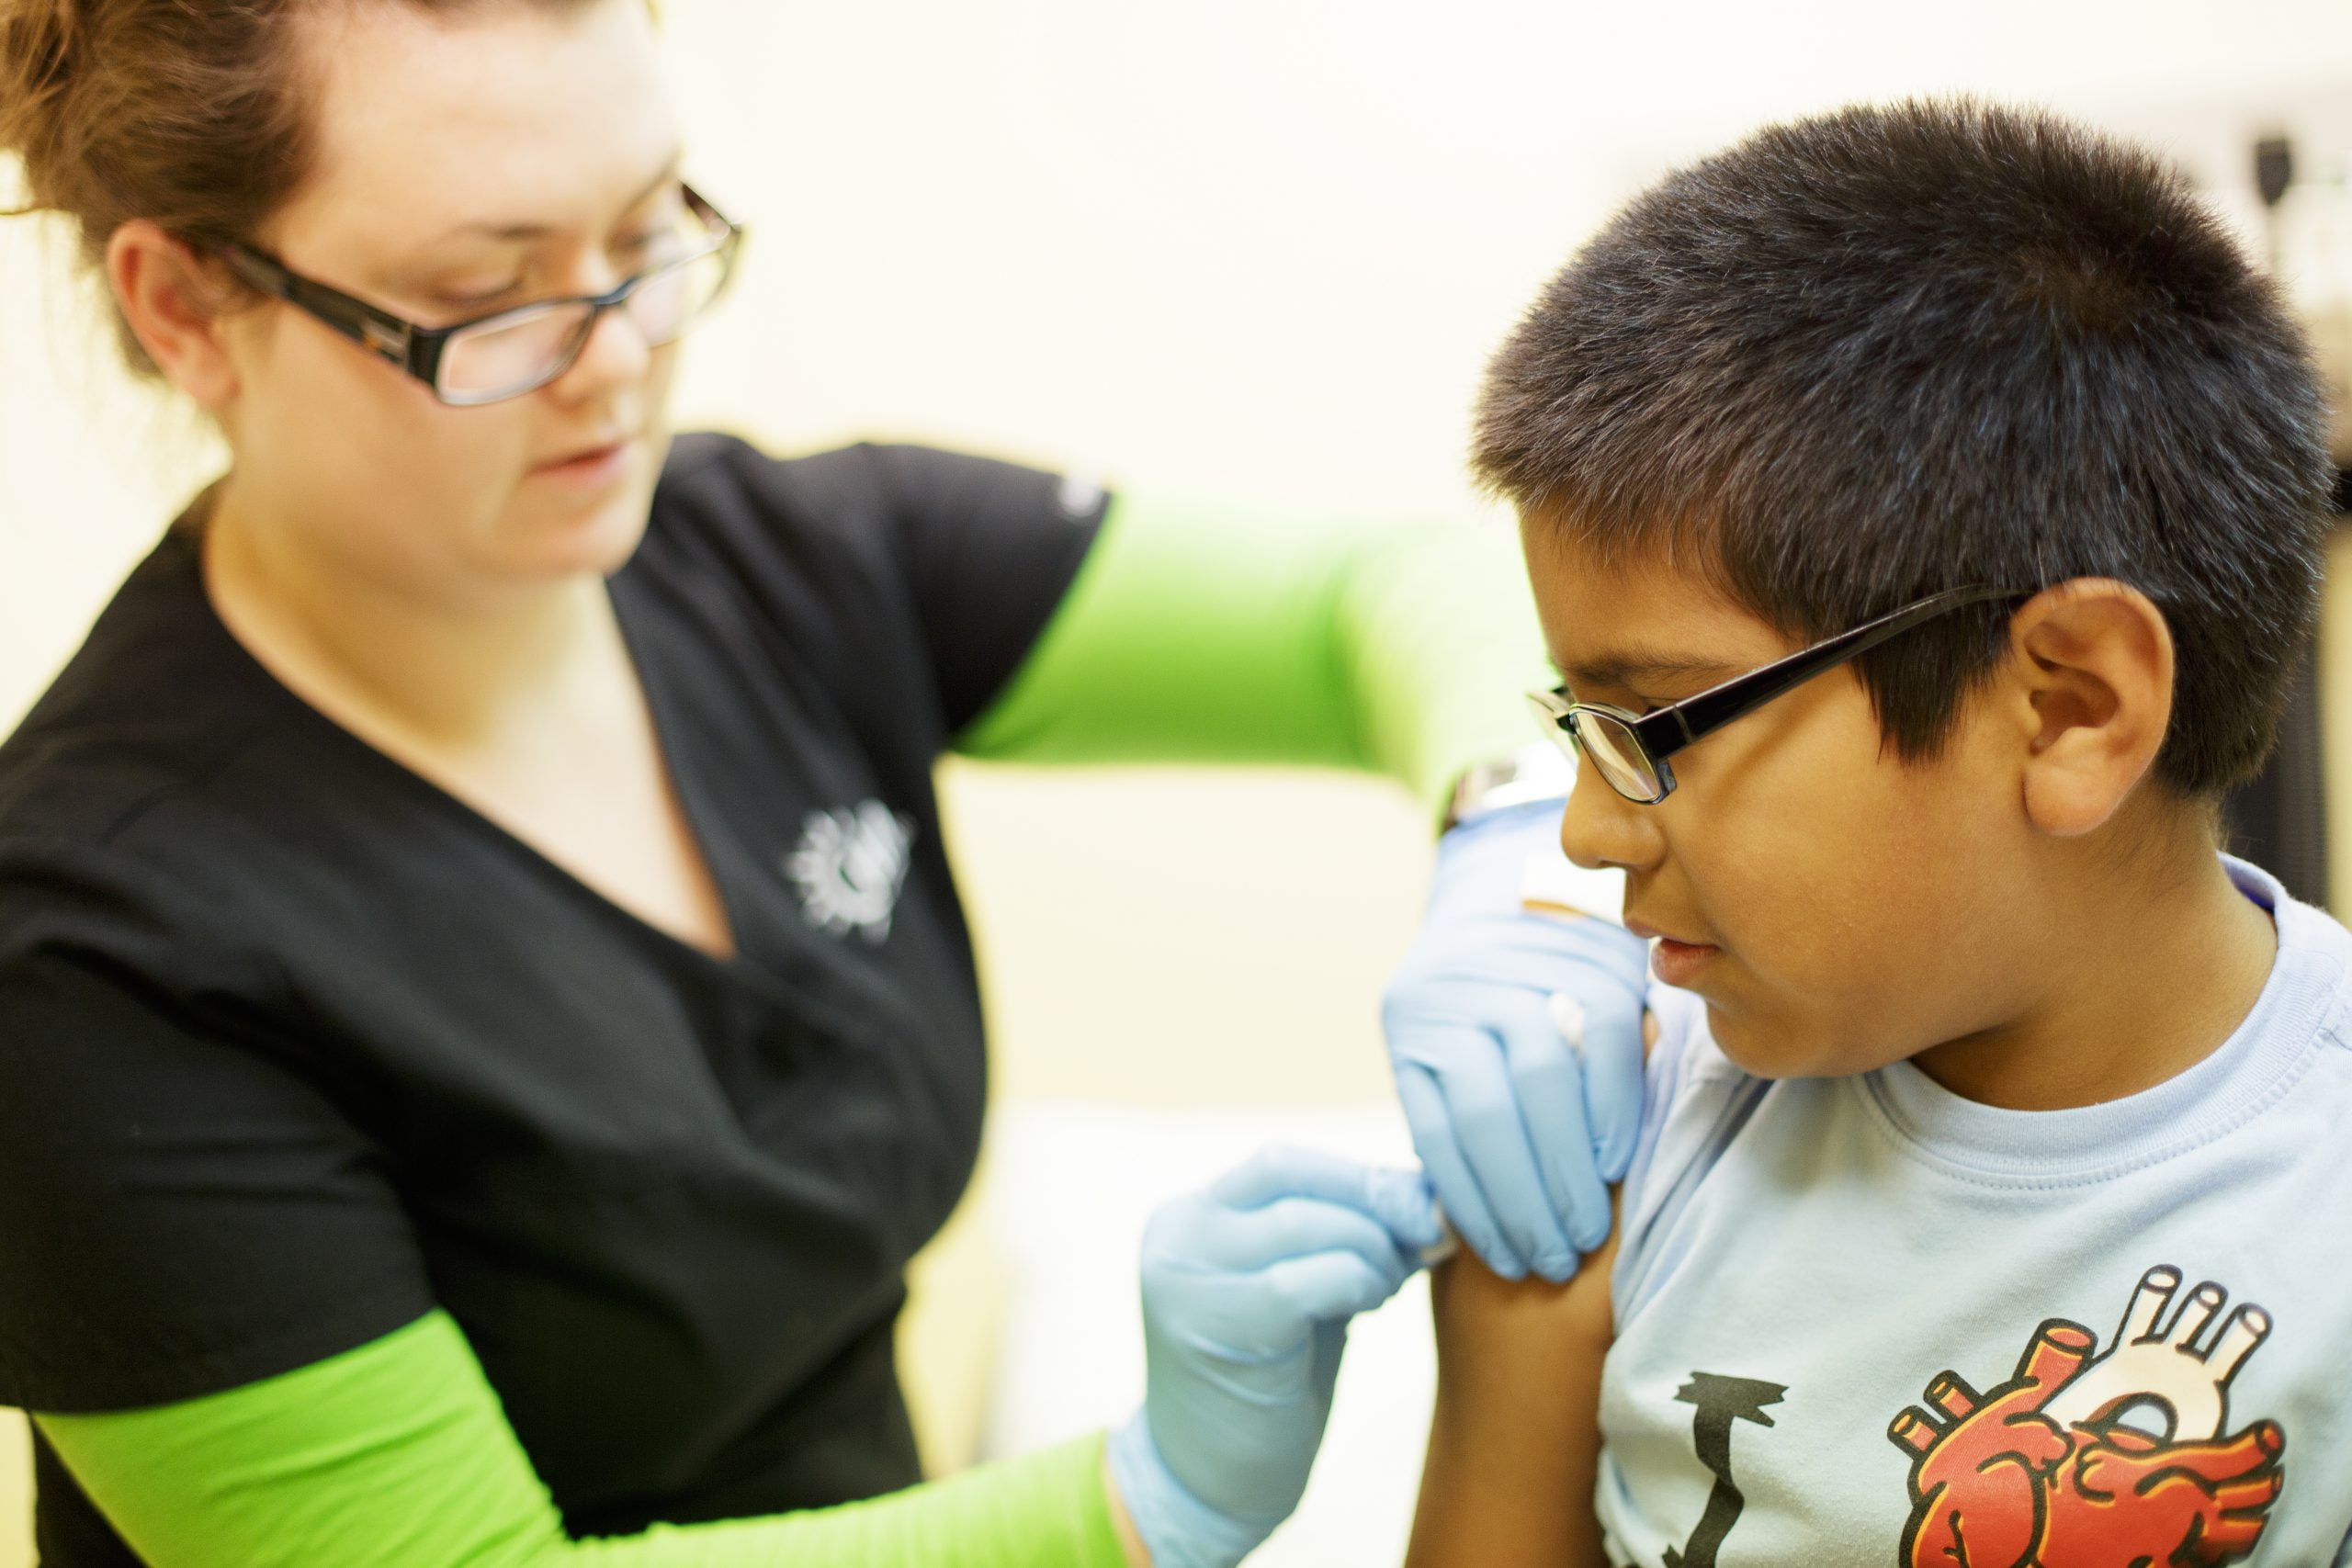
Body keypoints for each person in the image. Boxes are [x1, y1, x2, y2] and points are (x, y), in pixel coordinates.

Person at [0, 0, 1651, 1564]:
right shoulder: (89, 957)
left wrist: (1518, 845)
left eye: (650, 233)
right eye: (490, 296)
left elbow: (1380, 597)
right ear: (184, 306)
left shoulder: (784, 561)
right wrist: (1144, 1509)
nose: (621, 356)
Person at [1402, 100, 2352, 1566]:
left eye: (1653, 726)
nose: (1588, 831)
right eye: (1572, 730)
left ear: (2068, 710)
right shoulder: (1604, 1146)